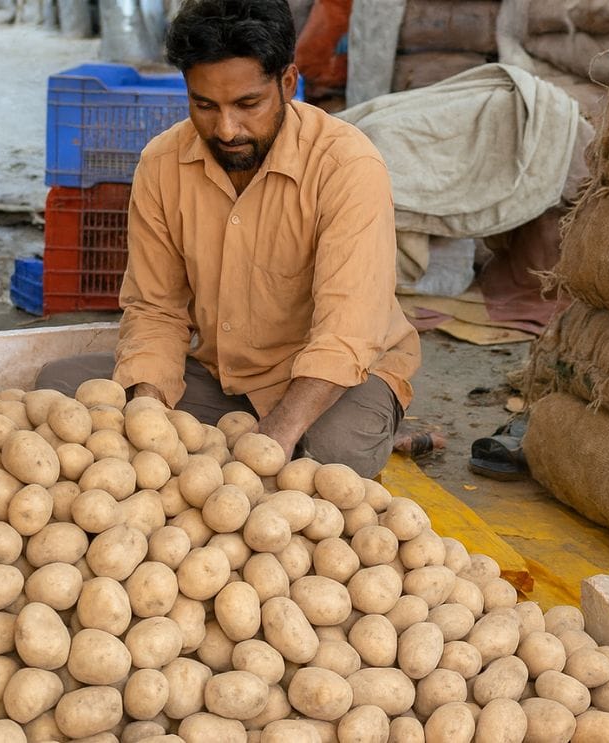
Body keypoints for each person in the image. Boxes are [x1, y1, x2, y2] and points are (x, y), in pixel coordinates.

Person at [36, 0, 421, 478]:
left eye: (247, 104)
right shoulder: (161, 165)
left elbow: (347, 334)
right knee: (58, 387)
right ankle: (261, 437)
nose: (226, 129)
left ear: (286, 83)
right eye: (204, 105)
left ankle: (374, 423)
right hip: (224, 374)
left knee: (335, 453)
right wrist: (148, 417)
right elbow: (156, 309)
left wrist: (273, 439)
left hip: (339, 376)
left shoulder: (346, 166)